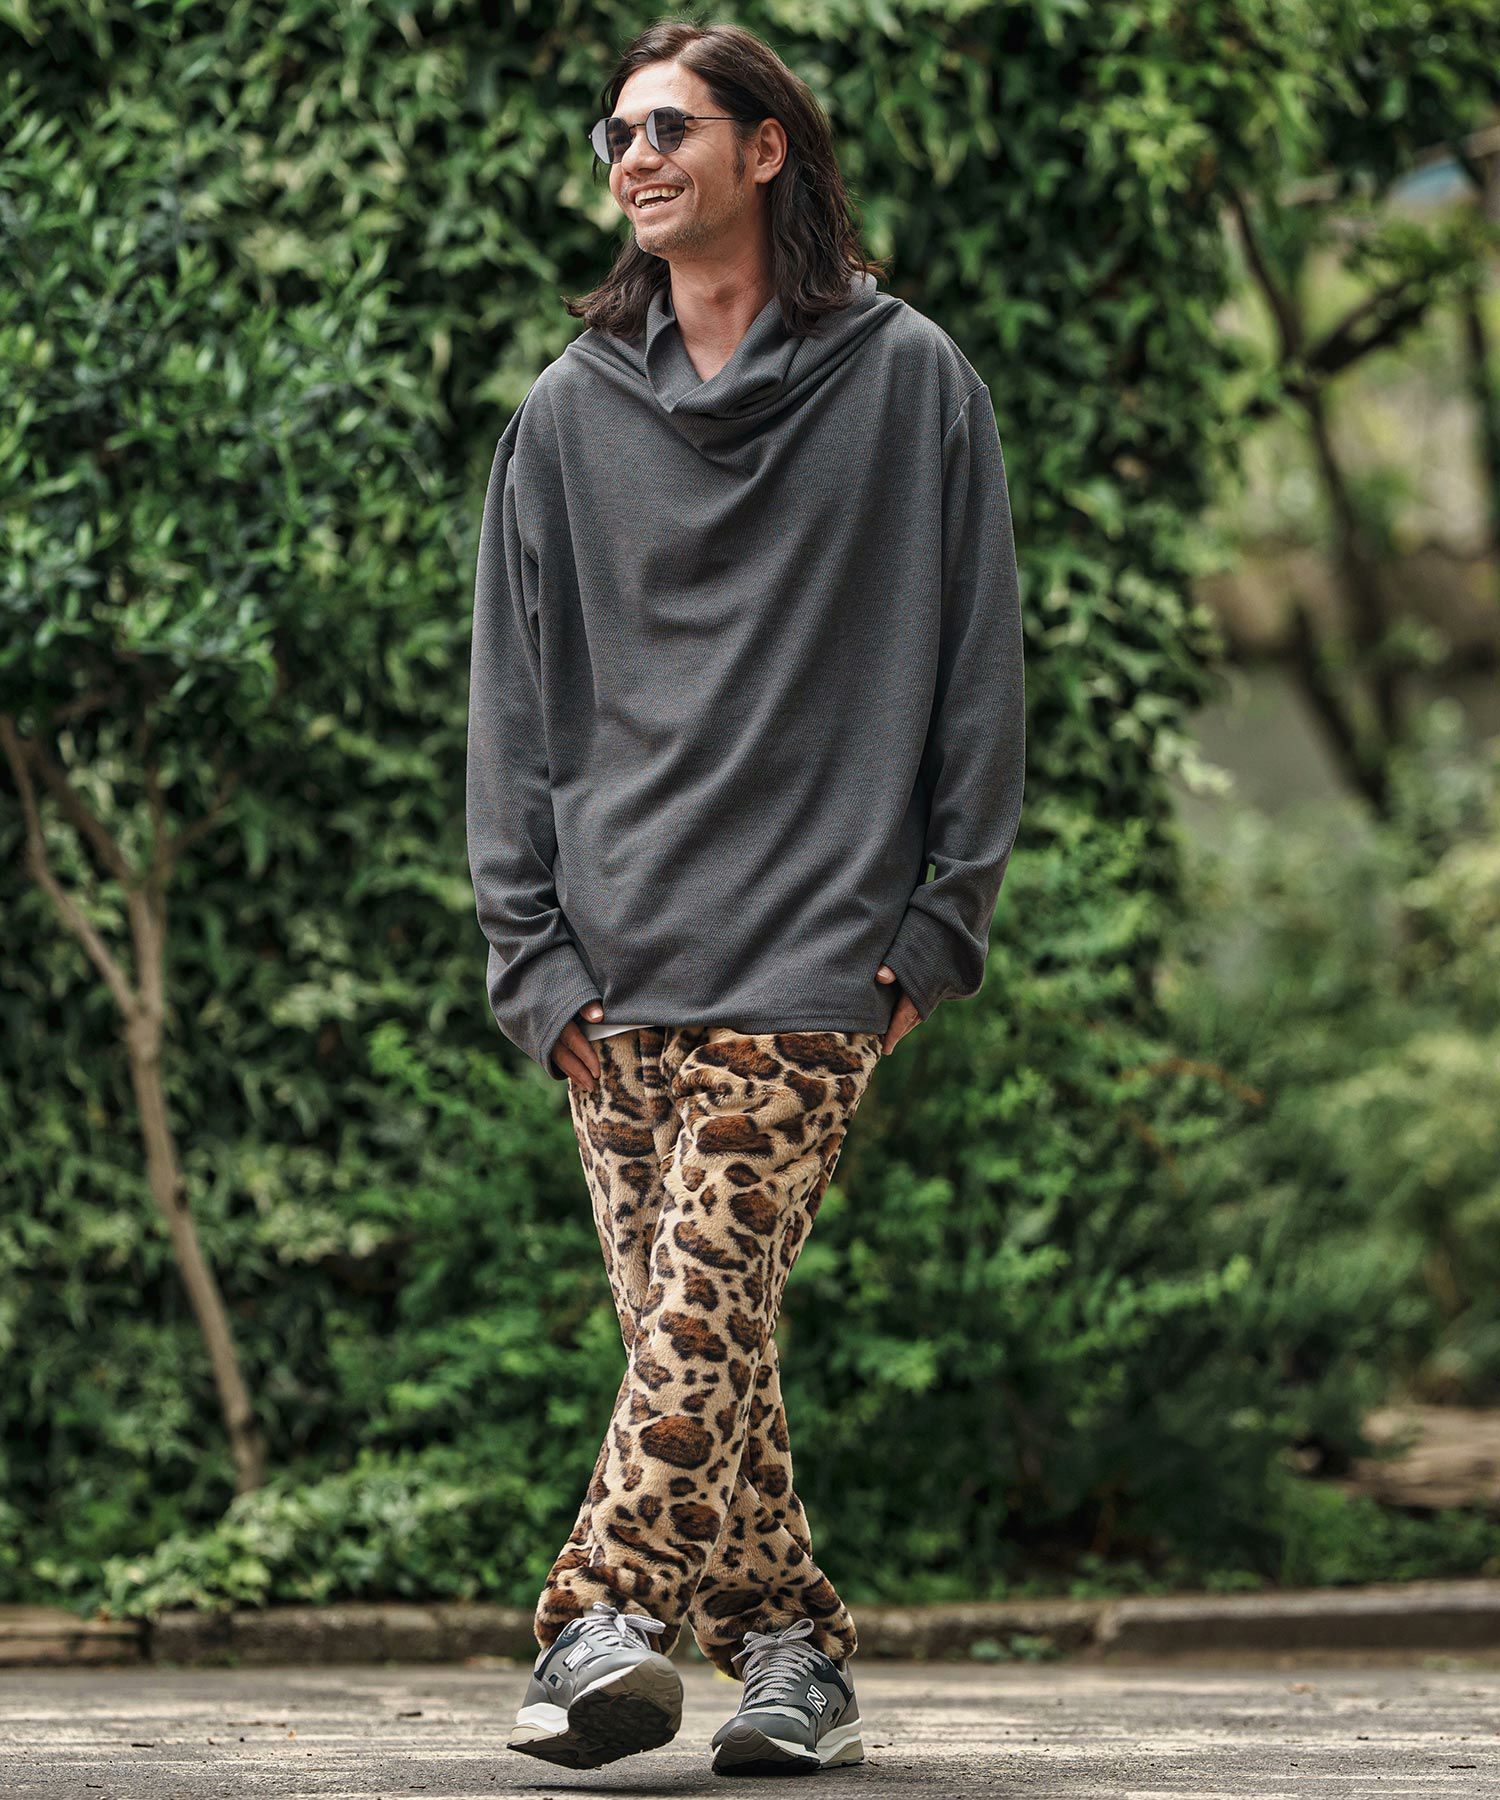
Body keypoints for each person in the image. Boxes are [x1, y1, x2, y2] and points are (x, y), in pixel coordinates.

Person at [464, 16, 1025, 1778]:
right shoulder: (571, 411)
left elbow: (980, 664)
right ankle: (793, 1653)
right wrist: (528, 955)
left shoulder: (909, 379)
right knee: (696, 1346)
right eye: (616, 134)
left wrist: (937, 928)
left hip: (815, 949)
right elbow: (512, 695)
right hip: (610, 964)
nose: (632, 158)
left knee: (699, 1307)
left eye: (668, 128)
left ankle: (593, 1615)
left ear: (765, 148)